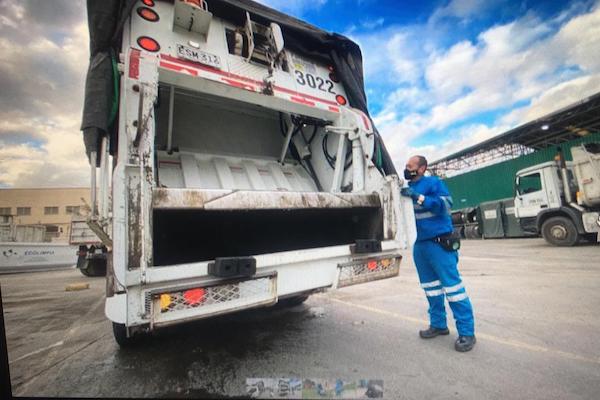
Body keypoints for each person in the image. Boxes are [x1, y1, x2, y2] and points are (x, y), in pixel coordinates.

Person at [400, 155, 476, 352]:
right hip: (420, 245)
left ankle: (467, 333)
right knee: (431, 288)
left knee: (453, 289)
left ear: (422, 168)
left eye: (411, 166)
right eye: (406, 166)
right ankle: (439, 325)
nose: (407, 169)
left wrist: (418, 197)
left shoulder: (433, 183)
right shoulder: (404, 188)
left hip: (439, 244)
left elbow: (446, 205)